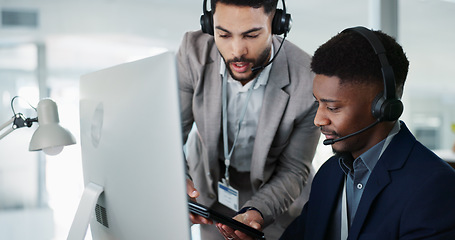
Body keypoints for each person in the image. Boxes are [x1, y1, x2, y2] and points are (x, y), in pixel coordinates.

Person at [280, 26, 455, 240]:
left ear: (382, 106)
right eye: (318, 103)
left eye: (333, 107)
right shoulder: (329, 175)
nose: (318, 119)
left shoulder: (433, 186)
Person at [177, 0, 320, 239]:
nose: (236, 51)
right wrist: (179, 181)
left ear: (276, 23)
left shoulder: (307, 79)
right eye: (223, 34)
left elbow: (294, 168)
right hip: (209, 191)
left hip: (276, 203)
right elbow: (169, 134)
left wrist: (258, 212)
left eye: (251, 35)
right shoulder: (193, 52)